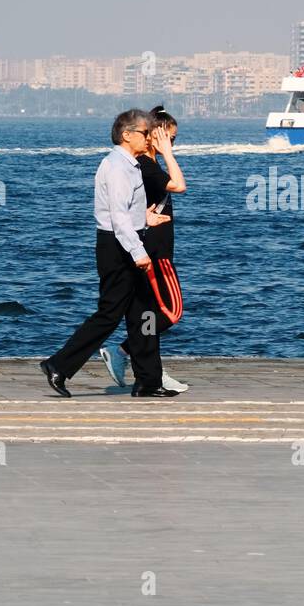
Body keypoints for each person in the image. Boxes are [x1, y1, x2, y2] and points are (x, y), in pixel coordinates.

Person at [39, 109, 179, 398]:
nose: (149, 137)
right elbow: (118, 217)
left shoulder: (130, 165)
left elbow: (129, 211)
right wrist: (138, 251)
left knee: (144, 316)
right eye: (144, 133)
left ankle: (148, 382)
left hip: (128, 242)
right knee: (109, 314)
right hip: (118, 248)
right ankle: (58, 365)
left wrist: (146, 220)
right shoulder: (116, 167)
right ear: (127, 135)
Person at [100, 105, 189, 393]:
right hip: (154, 251)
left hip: (154, 248)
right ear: (153, 137)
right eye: (169, 138)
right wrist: (167, 153)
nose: (171, 143)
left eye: (173, 140)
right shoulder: (149, 168)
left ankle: (150, 373)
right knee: (170, 311)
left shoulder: (145, 166)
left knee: (148, 312)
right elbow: (179, 185)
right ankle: (125, 352)